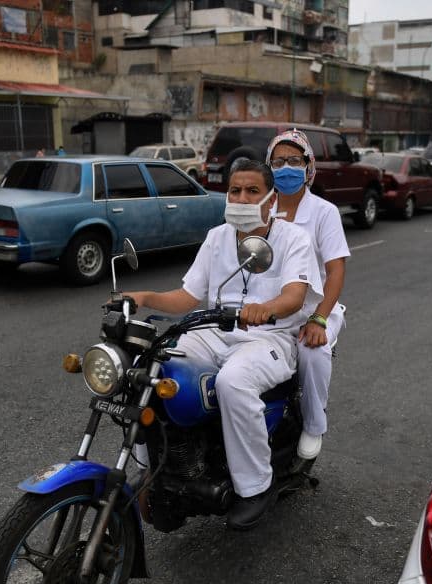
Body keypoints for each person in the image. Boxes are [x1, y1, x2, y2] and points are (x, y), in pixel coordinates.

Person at [128, 159, 322, 530]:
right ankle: (148, 467)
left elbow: (295, 296)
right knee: (150, 366)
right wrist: (145, 296)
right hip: (214, 330)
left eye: (251, 190)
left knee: (232, 382)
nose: (241, 197)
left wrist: (264, 309)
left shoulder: (293, 238)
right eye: (235, 190)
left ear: (271, 197)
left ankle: (255, 486)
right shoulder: (218, 237)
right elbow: (188, 296)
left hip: (270, 336)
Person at [265, 129, 349, 463]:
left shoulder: (324, 212)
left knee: (312, 351)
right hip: (270, 309)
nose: (286, 167)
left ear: (308, 166)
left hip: (313, 309)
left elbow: (336, 271)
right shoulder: (261, 208)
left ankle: (314, 424)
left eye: (294, 161)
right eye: (279, 161)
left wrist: (319, 318)